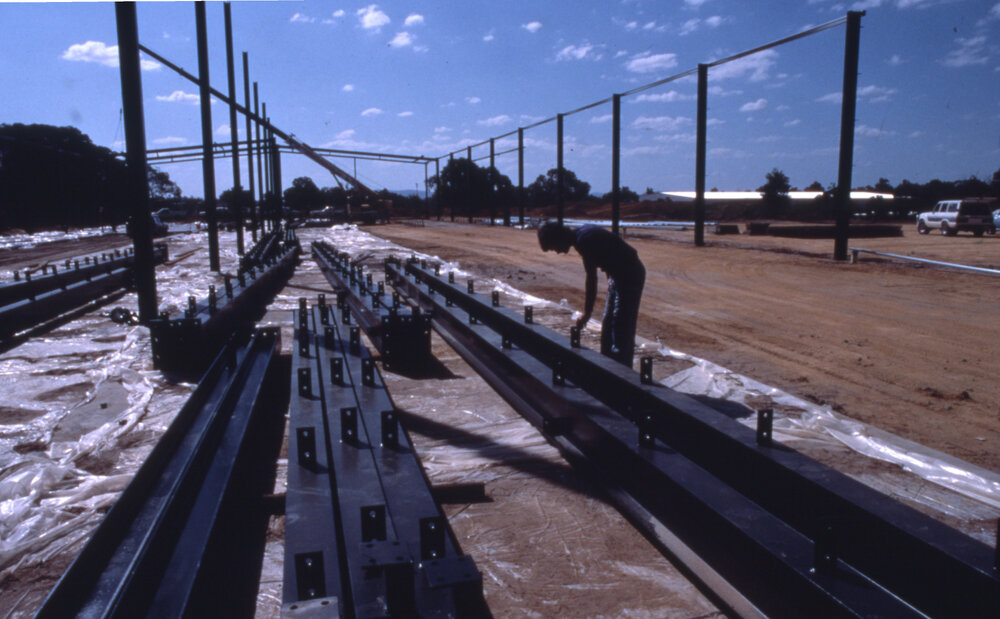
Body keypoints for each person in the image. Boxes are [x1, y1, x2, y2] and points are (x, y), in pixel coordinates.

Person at [537, 221, 645, 367]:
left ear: (558, 238)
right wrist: (610, 277)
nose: (557, 251)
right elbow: (610, 252)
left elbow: (591, 280)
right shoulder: (582, 234)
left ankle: (623, 373)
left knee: (620, 327)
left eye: (554, 247)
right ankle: (608, 368)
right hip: (617, 275)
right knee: (608, 324)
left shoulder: (584, 240)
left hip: (629, 274)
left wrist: (587, 313)